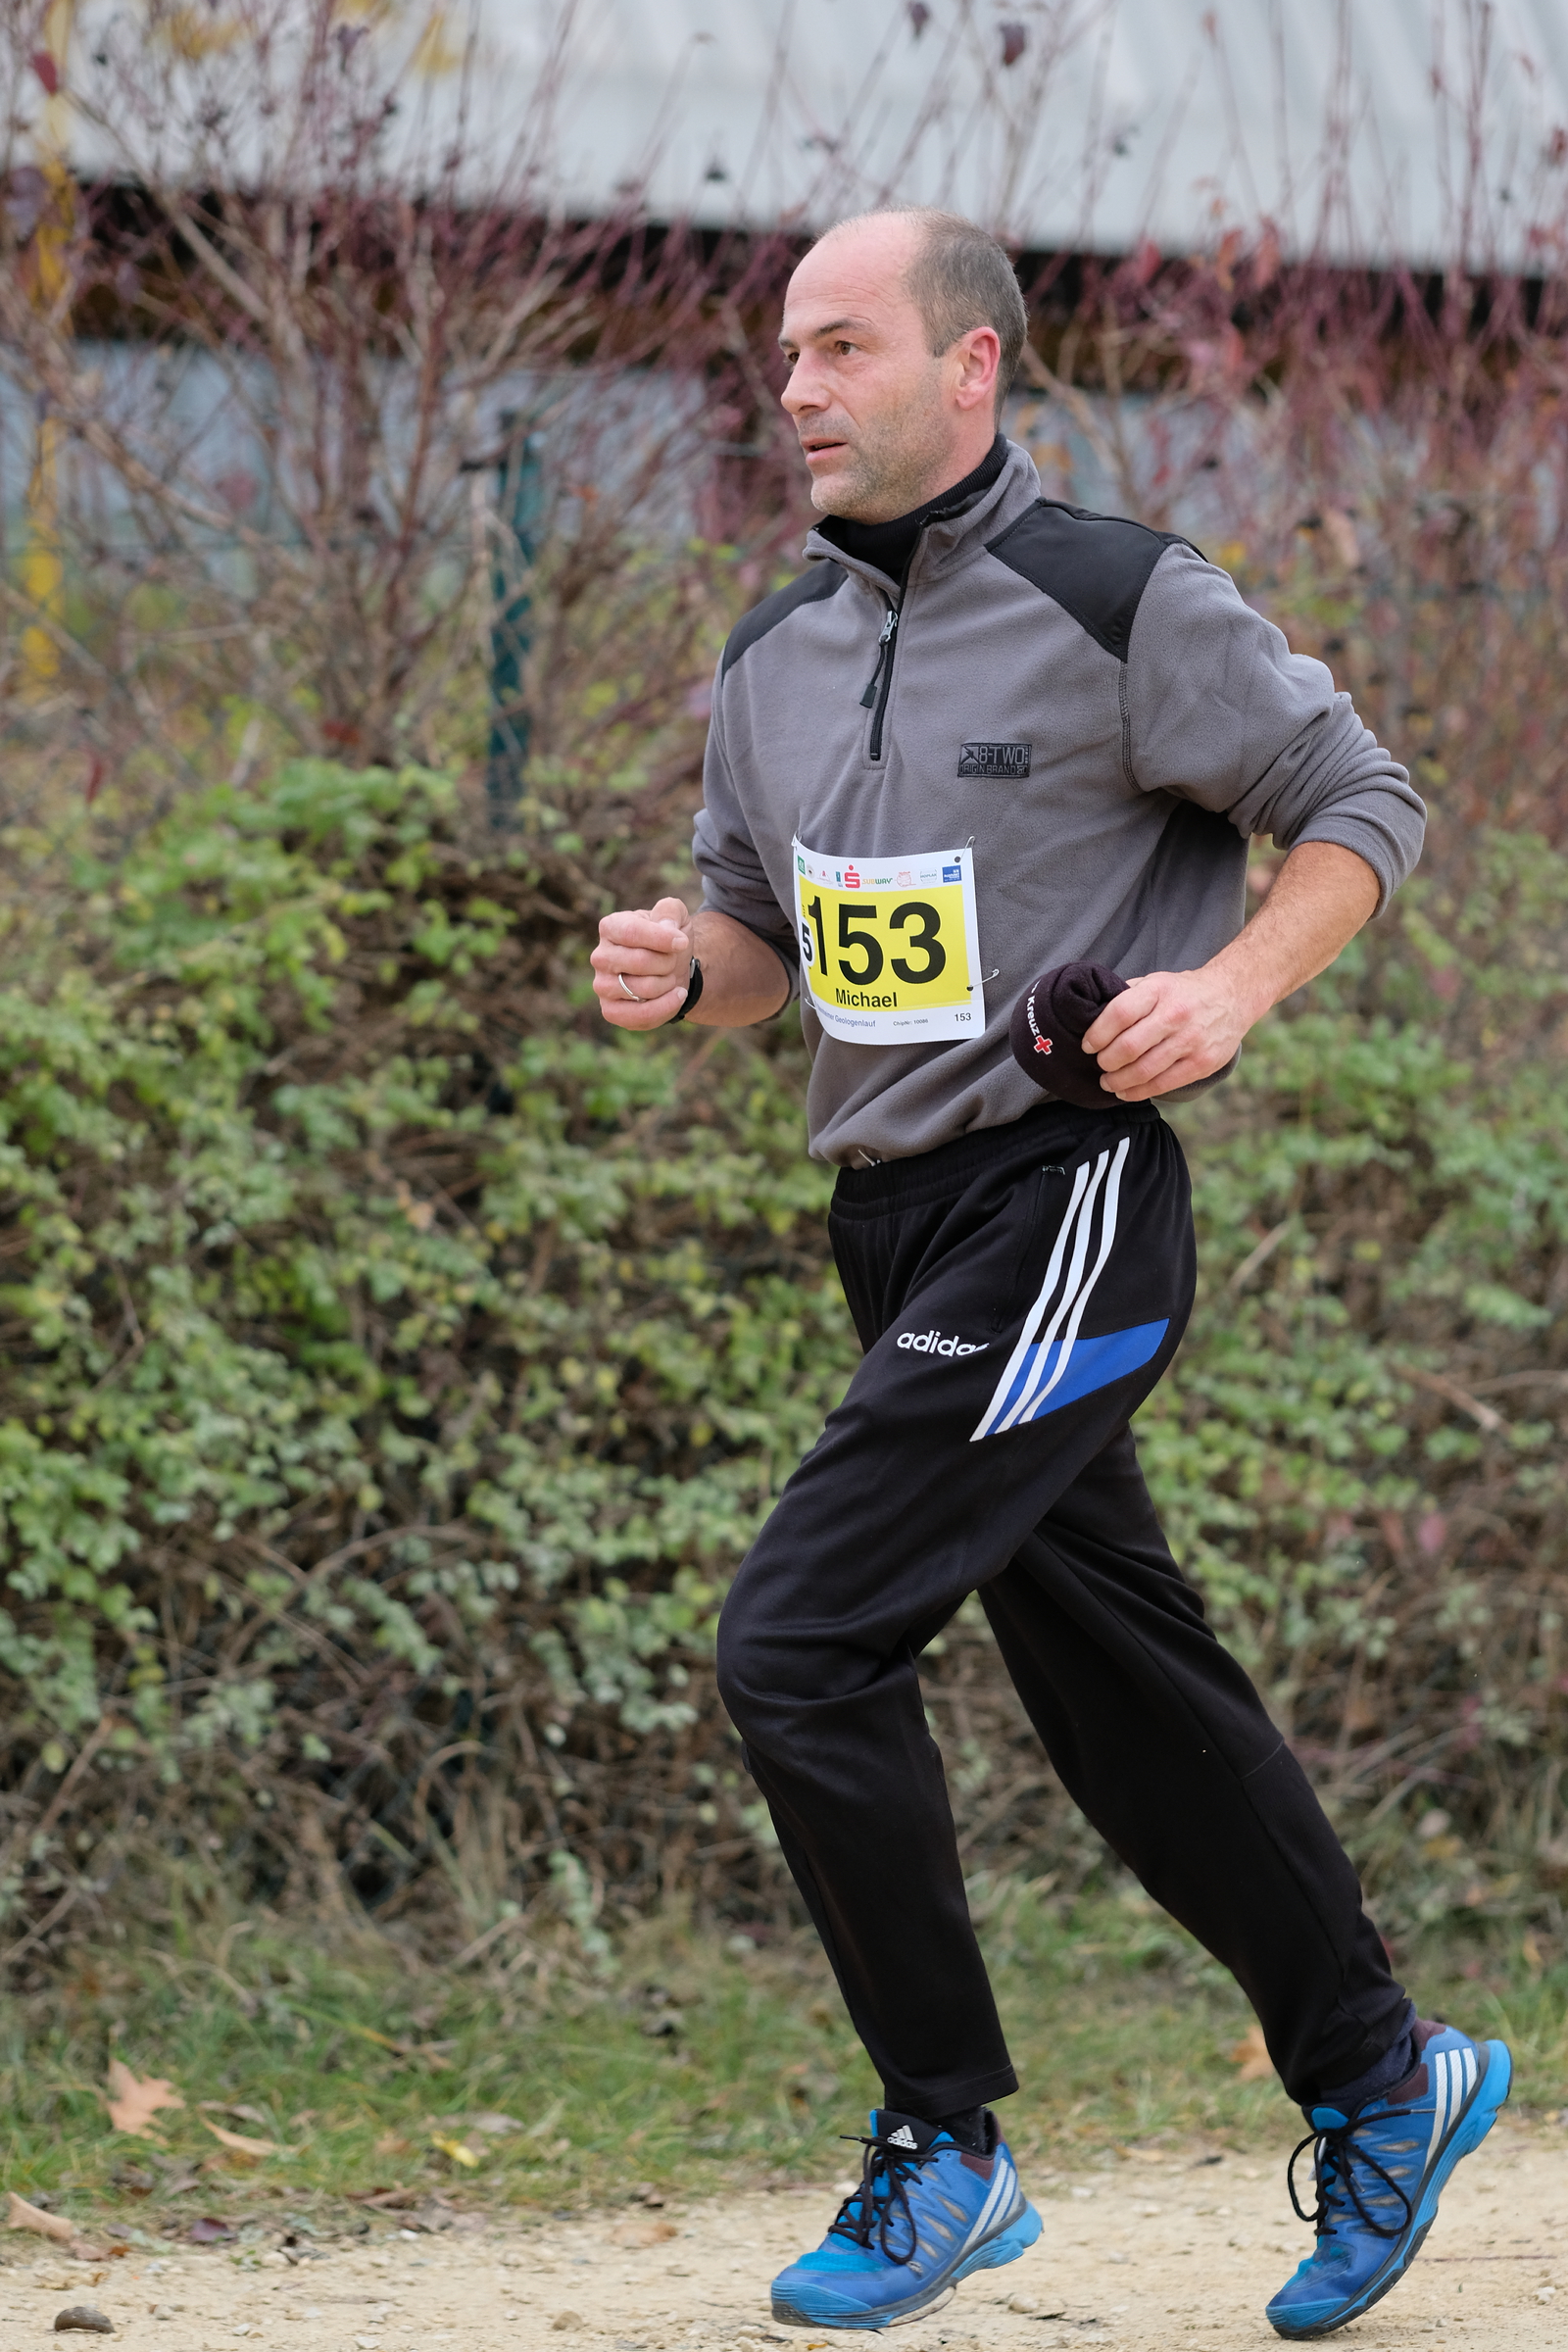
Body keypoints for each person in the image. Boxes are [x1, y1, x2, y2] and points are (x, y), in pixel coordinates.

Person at [589, 207, 1508, 2342]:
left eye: (842, 347)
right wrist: (680, 974)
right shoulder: (771, 655)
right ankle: (1387, 2072)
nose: (795, 388)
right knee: (1120, 1690)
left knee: (798, 1639)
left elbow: (1359, 799)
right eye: (785, 352)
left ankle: (947, 2142)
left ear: (971, 365)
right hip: (892, 1222)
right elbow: (766, 946)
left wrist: (1233, 990)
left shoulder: (1120, 599)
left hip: (1065, 1193)